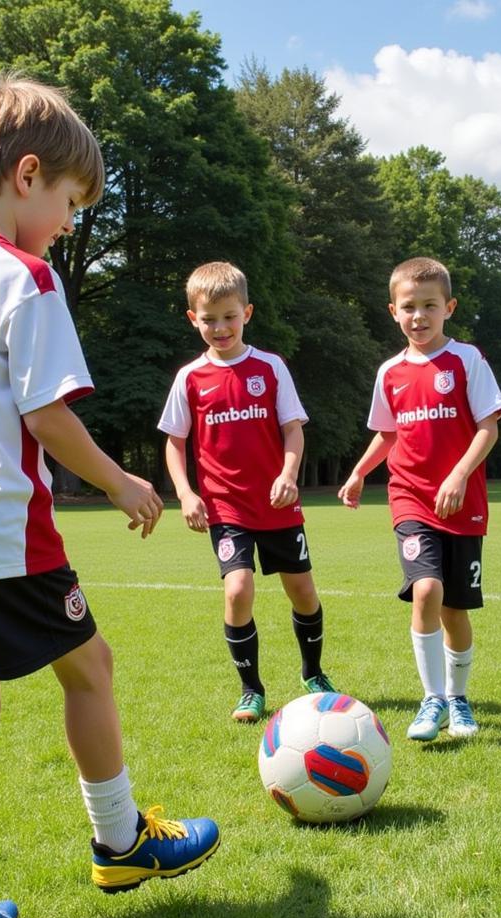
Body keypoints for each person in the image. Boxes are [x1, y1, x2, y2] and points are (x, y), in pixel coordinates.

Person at [0, 73, 219, 918]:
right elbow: (47, 415)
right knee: (92, 667)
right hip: (2, 530)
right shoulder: (24, 278)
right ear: (27, 175)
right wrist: (121, 482)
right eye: (71, 202)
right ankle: (121, 844)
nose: (70, 224)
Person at [158, 261, 336, 723]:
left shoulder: (270, 367)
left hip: (278, 505)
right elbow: (175, 444)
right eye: (209, 318)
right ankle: (250, 689)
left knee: (302, 591)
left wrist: (289, 474)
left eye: (229, 316)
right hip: (226, 507)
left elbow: (293, 432)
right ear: (192, 318)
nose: (220, 328)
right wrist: (186, 493)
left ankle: (313, 672)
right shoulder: (190, 378)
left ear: (247, 313)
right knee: (237, 590)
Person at [338, 257, 501, 742]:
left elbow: (488, 427)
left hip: (462, 502)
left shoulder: (466, 360)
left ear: (448, 307)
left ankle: (459, 698)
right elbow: (388, 434)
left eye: (429, 306)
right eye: (409, 307)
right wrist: (357, 472)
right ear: (393, 311)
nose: (419, 316)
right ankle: (431, 698)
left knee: (454, 609)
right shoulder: (390, 371)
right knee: (426, 590)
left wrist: (457, 476)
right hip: (410, 497)